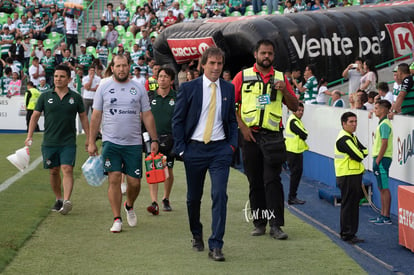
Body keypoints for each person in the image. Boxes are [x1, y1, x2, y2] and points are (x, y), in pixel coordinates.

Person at [172, 47, 238, 261]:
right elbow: (178, 120)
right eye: (212, 63)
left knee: (219, 194)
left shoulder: (228, 89)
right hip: (194, 150)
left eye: (220, 64)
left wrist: (231, 147)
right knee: (193, 198)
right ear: (203, 65)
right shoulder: (189, 88)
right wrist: (182, 149)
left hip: (220, 150)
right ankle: (196, 233)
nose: (216, 68)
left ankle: (216, 245)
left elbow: (231, 121)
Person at [232, 39, 298, 240]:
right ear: (255, 54)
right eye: (263, 53)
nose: (266, 56)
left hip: (273, 138)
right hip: (250, 136)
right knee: (255, 181)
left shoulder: (280, 78)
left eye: (270, 53)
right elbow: (231, 105)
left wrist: (284, 90)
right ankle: (259, 223)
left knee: (273, 181)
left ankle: (276, 225)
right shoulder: (242, 76)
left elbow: (295, 106)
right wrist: (242, 127)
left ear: (274, 56)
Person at [88, 54, 159, 233]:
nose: (121, 69)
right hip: (111, 142)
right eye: (118, 66)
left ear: (129, 67)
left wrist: (154, 139)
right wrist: (91, 141)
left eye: (124, 66)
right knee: (114, 178)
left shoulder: (138, 88)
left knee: (134, 183)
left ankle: (129, 205)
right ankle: (117, 218)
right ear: (112, 68)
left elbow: (147, 114)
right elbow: (96, 115)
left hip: (133, 143)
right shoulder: (104, 87)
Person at [25, 64, 90, 215]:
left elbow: (84, 118)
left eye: (61, 76)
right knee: (53, 171)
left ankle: (67, 201)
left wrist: (89, 138)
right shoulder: (45, 97)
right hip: (49, 142)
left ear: (68, 79)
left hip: (68, 142)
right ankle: (59, 199)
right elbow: (34, 116)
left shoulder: (76, 98)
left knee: (67, 169)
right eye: (56, 76)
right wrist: (29, 135)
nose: (58, 79)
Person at [146, 67, 176, 214]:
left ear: (172, 80)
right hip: (152, 139)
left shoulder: (176, 97)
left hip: (170, 139)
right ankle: (154, 202)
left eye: (165, 77)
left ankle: (166, 198)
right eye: (160, 76)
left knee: (168, 170)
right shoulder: (150, 97)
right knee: (152, 168)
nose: (162, 79)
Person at [334, 111, 368, 244]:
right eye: (351, 122)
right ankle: (347, 233)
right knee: (349, 205)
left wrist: (359, 153)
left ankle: (350, 233)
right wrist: (359, 153)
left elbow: (364, 150)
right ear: (343, 124)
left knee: (352, 205)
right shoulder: (344, 139)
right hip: (348, 175)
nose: (354, 125)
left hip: (353, 175)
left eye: (355, 122)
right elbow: (360, 155)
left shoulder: (351, 137)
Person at [369, 100, 393, 225]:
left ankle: (386, 216)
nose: (375, 110)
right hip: (380, 158)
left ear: (384, 110)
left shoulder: (385, 124)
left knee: (384, 187)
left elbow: (384, 142)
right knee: (381, 187)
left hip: (382, 159)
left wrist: (378, 160)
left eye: (377, 108)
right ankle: (383, 214)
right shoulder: (382, 123)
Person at [285, 102, 308, 205]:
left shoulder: (296, 120)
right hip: (293, 151)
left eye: (302, 110)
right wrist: (305, 133)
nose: (301, 112)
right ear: (293, 110)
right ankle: (292, 197)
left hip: (296, 151)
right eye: (299, 110)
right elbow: (304, 134)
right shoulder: (294, 121)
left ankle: (293, 196)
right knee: (295, 175)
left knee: (296, 175)